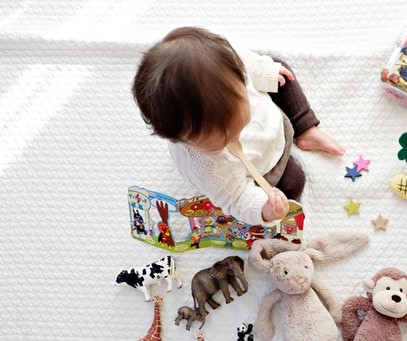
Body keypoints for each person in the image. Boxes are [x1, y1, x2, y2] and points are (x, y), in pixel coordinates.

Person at [132, 27, 344, 225]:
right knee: (294, 182)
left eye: (240, 124)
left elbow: (248, 63)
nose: (237, 138)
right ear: (181, 140)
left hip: (272, 119)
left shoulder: (229, 64)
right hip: (261, 166)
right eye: (223, 141)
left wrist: (264, 72)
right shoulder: (206, 168)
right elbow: (236, 198)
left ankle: (306, 129)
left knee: (280, 72)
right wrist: (264, 210)